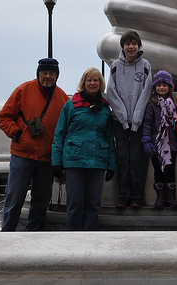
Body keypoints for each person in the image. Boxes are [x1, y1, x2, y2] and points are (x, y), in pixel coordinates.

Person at [0, 58, 69, 231]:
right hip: (22, 155)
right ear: (38, 74)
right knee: (14, 199)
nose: (48, 77)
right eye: (44, 73)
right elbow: (3, 117)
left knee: (41, 202)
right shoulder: (23, 90)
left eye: (52, 73)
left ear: (57, 76)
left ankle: (33, 236)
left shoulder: (63, 99)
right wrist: (16, 133)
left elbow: (67, 130)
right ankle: (6, 235)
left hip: (46, 159)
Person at [51, 67, 116, 230]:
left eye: (96, 80)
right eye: (89, 80)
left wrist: (111, 165)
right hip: (75, 161)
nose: (93, 83)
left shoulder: (106, 109)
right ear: (83, 83)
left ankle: (90, 238)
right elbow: (59, 134)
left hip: (98, 161)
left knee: (93, 204)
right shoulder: (70, 105)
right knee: (75, 203)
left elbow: (109, 138)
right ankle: (73, 239)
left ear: (100, 84)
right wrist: (56, 162)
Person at [107, 30, 152, 208]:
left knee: (137, 158)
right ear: (123, 46)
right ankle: (123, 196)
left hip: (139, 122)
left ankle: (136, 197)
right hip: (120, 122)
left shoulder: (146, 66)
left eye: (134, 43)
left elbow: (146, 93)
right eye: (128, 44)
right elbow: (112, 93)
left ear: (139, 46)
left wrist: (136, 117)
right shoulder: (115, 66)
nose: (131, 47)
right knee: (122, 157)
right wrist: (124, 117)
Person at [142, 70, 177, 209]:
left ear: (170, 87)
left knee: (170, 171)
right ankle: (160, 198)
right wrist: (147, 139)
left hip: (171, 144)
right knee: (158, 172)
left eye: (165, 85)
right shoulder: (152, 104)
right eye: (159, 85)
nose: (161, 88)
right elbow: (147, 122)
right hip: (156, 145)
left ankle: (171, 198)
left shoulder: (174, 103)